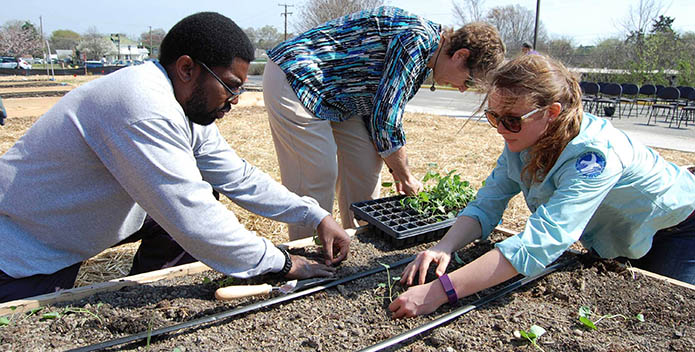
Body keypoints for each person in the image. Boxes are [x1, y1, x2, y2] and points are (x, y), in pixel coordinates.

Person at [0, 12, 350, 303]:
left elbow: (238, 176)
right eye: (230, 85)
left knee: (203, 196)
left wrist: (314, 214)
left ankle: (139, 295)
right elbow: (190, 214)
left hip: (74, 224)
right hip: (26, 248)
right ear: (187, 69)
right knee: (34, 319)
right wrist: (282, 262)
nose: (235, 99)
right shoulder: (142, 105)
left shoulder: (183, 105)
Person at [389, 54, 695, 318]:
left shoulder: (594, 156)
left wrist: (440, 292)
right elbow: (487, 203)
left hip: (677, 231)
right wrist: (445, 246)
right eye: (493, 116)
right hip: (624, 230)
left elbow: (543, 241)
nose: (499, 129)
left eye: (511, 120)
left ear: (551, 113)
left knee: (662, 308)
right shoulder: (523, 139)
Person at [263, 7, 505, 239]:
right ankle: (309, 254)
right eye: (470, 81)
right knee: (318, 173)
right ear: (460, 55)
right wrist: (406, 176)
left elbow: (380, 110)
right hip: (298, 77)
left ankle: (360, 243)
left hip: (341, 96)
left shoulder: (426, 57)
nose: (463, 89)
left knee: (367, 164)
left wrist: (395, 168)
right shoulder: (417, 40)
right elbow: (386, 118)